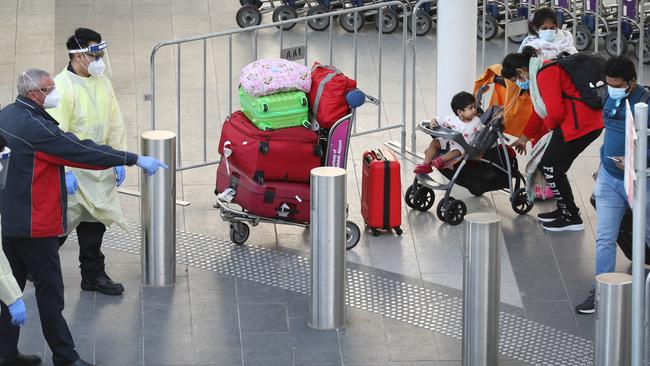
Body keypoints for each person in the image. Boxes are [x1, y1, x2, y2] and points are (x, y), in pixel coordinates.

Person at [0, 68, 166, 366]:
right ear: (34, 94)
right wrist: (132, 158)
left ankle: (6, 353)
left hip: (11, 219)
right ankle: (66, 357)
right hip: (36, 225)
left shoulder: (8, 114)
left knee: (9, 289)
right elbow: (81, 151)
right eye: (50, 88)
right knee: (51, 294)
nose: (55, 92)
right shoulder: (38, 130)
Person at [47, 28, 127, 296]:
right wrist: (66, 170)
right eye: (95, 54)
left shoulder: (100, 81)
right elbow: (57, 133)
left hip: (98, 168)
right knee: (59, 227)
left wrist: (117, 156)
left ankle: (93, 275)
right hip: (73, 173)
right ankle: (33, 267)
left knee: (94, 223)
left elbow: (114, 120)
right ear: (79, 56)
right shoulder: (62, 88)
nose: (100, 59)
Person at [575, 56, 650, 314]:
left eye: (617, 85)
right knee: (605, 238)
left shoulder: (646, 102)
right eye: (608, 84)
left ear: (632, 82)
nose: (611, 89)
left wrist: (636, 160)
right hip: (609, 178)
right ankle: (602, 291)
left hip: (640, 182)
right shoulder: (608, 96)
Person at [506, 47, 603, 232]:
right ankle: (565, 210)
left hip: (580, 124)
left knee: (550, 166)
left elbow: (555, 112)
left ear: (520, 71)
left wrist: (550, 128)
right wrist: (525, 137)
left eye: (515, 79)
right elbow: (539, 109)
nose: (518, 83)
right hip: (583, 122)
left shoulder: (545, 73)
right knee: (555, 168)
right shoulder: (540, 71)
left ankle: (571, 217)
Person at [414, 92, 483, 174]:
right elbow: (441, 120)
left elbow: (483, 132)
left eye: (474, 106)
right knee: (435, 142)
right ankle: (425, 164)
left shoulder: (477, 121)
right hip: (449, 142)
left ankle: (440, 160)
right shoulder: (452, 119)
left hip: (464, 146)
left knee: (458, 150)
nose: (474, 110)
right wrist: (434, 120)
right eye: (471, 108)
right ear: (460, 112)